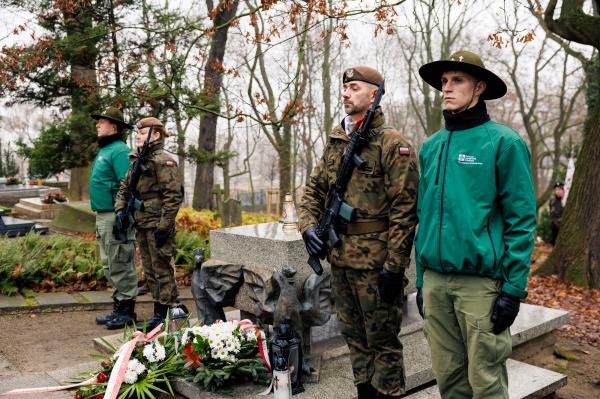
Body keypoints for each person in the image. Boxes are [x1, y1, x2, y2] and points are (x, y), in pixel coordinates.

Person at [415, 50, 537, 398]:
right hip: (436, 283)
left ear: (479, 87)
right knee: (448, 377)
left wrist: (513, 290)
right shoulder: (432, 147)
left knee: (485, 382)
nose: (447, 89)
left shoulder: (503, 142)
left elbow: (522, 220)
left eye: (457, 80)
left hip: (480, 285)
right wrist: (423, 280)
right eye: (443, 82)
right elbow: (424, 218)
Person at [298, 66, 419, 399]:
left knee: (383, 344)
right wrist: (308, 226)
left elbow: (405, 212)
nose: (345, 93)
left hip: (377, 265)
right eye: (344, 87)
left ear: (374, 94)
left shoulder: (392, 144)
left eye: (354, 87)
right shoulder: (338, 139)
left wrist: (395, 267)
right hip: (341, 261)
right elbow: (313, 192)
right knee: (355, 339)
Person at [114, 117, 187, 331]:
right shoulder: (138, 159)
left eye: (142, 132)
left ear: (155, 135)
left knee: (162, 269)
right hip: (142, 223)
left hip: (157, 225)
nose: (137, 135)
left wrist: (164, 226)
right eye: (137, 133)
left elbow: (173, 196)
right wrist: (120, 210)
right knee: (149, 270)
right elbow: (124, 188)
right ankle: (159, 311)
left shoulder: (163, 160)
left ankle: (169, 310)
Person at [90, 107, 138, 330]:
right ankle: (119, 307)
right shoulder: (106, 150)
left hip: (115, 215)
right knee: (109, 264)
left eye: (102, 122)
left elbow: (127, 184)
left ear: (114, 127)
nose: (97, 125)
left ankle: (127, 311)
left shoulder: (119, 151)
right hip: (103, 214)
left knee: (119, 261)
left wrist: (123, 214)